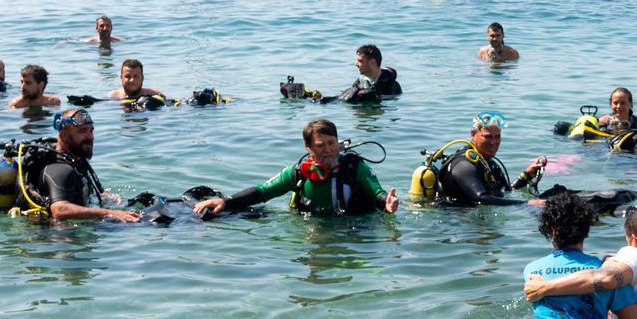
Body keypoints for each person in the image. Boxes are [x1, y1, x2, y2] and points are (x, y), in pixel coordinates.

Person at [193, 118, 399, 217]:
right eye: (320, 145)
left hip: (355, 228)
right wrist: (225, 201)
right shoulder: (298, 172)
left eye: (332, 143)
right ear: (308, 148)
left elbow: (377, 193)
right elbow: (263, 191)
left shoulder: (355, 168)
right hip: (313, 226)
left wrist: (387, 203)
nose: (328, 150)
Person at [33, 108, 139, 222]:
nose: (89, 137)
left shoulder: (75, 160)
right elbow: (59, 210)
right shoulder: (59, 168)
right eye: (82, 131)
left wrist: (108, 196)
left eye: (91, 131)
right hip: (57, 230)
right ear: (64, 135)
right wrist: (109, 213)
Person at [434, 113, 546, 207]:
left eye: (497, 137)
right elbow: (481, 198)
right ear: (473, 134)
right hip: (457, 222)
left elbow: (505, 192)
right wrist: (525, 203)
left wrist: (527, 175)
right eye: (487, 137)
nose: (493, 142)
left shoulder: (488, 163)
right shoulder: (463, 164)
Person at [332, 44, 402, 104]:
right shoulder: (358, 84)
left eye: (360, 61)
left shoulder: (392, 86)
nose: (356, 64)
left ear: (372, 62)